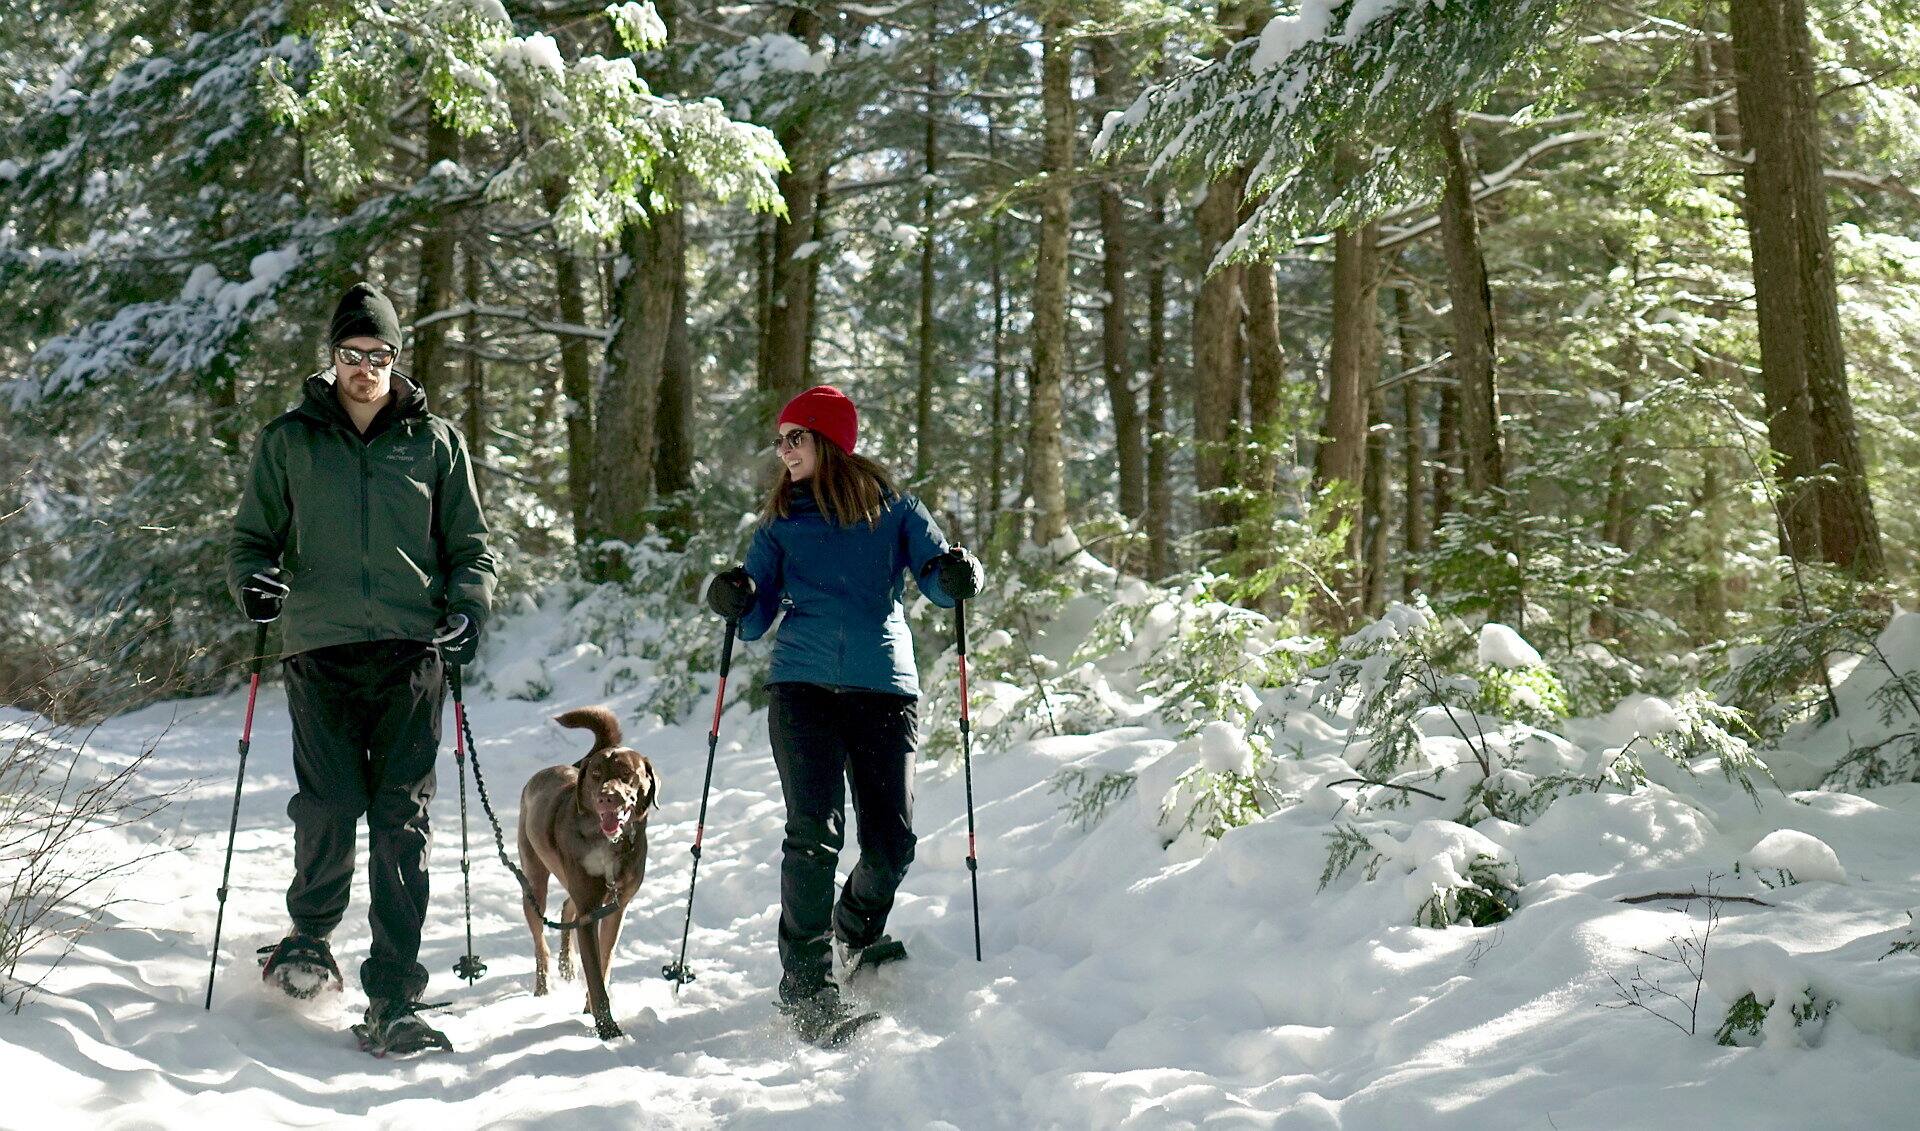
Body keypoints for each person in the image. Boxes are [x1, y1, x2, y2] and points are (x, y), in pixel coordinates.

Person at [228, 281, 495, 1055]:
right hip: (320, 649)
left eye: (379, 355)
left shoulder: (435, 441)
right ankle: (309, 935)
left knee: (400, 820)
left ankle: (394, 993)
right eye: (353, 354)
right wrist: (254, 585)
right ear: (334, 358)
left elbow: (470, 545)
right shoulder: (290, 440)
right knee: (330, 801)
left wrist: (468, 607)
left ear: (396, 359)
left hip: (413, 654)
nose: (366, 368)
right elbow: (251, 541)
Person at [706, 385, 983, 1041]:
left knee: (891, 841)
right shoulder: (778, 525)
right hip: (802, 688)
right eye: (779, 440)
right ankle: (806, 987)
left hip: (882, 687)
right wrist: (734, 595)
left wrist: (959, 571)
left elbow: (939, 583)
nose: (783, 450)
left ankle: (852, 930)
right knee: (813, 831)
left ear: (828, 440)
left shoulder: (896, 513)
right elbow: (752, 619)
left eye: (794, 437)